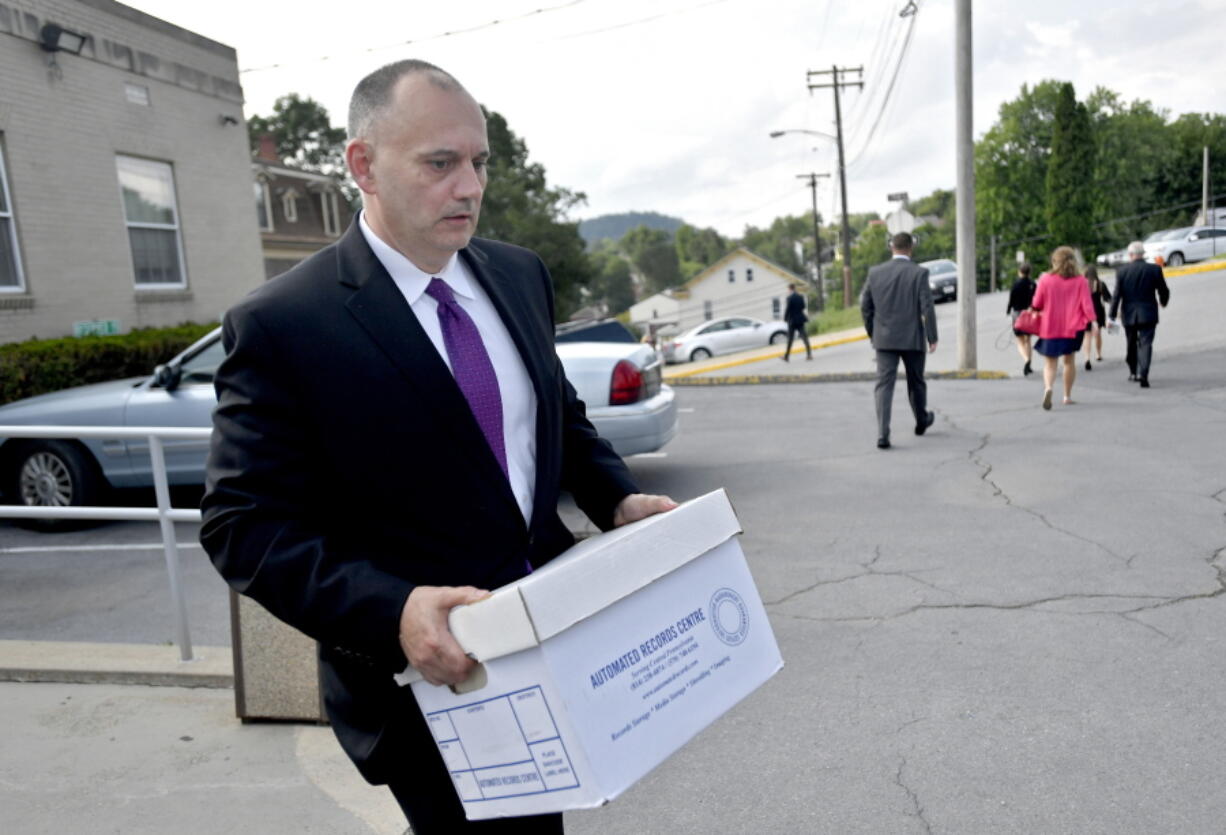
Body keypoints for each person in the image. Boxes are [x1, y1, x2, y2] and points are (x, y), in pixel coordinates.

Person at [199, 59, 675, 834]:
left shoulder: (519, 275)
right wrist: (395, 609)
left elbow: (558, 414)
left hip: (555, 642)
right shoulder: (286, 324)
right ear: (363, 165)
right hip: (427, 686)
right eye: (440, 163)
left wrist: (614, 495)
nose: (471, 187)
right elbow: (241, 526)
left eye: (479, 162)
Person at [860, 232, 937, 449]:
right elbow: (927, 307)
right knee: (916, 381)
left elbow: (865, 306)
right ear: (910, 248)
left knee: (884, 385)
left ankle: (883, 434)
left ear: (891, 247)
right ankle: (921, 420)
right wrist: (932, 336)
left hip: (884, 339)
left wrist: (873, 332)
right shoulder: (919, 273)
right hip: (912, 338)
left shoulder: (875, 273)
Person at [1030, 246, 1097, 410]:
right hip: (1072, 328)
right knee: (1069, 362)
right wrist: (1093, 322)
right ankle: (1067, 396)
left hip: (1050, 327)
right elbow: (1087, 305)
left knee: (1050, 364)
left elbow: (1037, 303)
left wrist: (1034, 309)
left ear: (1055, 262)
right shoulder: (1081, 281)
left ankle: (1048, 388)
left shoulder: (1045, 279)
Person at [1108, 241, 1170, 388]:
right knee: (1146, 343)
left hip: (1129, 314)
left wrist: (1111, 315)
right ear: (1143, 254)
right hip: (1148, 313)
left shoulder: (1122, 271)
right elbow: (1164, 290)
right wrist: (1163, 301)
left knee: (1131, 343)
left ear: (1130, 255)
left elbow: (1117, 295)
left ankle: (1133, 372)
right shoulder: (1154, 269)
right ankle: (1144, 373)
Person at [1006, 261, 1037, 375]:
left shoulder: (1016, 284)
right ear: (1029, 272)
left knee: (1019, 339)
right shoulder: (1033, 284)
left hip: (1018, 313)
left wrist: (1008, 310)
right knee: (1028, 339)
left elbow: (1012, 299)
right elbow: (1036, 300)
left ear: (1020, 271)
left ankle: (1026, 360)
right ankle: (1029, 364)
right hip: (1029, 313)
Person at [1082, 264, 1111, 371]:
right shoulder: (1100, 284)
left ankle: (1087, 358)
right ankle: (1098, 354)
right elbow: (1109, 298)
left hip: (1085, 312)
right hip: (1098, 311)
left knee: (1087, 336)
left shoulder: (1082, 285)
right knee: (1097, 334)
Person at [782, 283, 812, 361]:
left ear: (790, 289)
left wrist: (785, 319)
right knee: (804, 337)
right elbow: (803, 306)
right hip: (800, 319)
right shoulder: (800, 296)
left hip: (792, 320)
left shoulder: (789, 298)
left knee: (790, 339)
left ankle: (786, 356)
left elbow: (788, 309)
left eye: (788, 289)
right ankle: (809, 354)